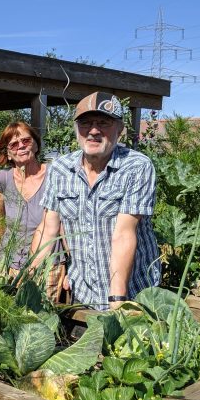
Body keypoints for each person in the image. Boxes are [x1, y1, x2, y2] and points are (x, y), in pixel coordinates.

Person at [30, 92, 160, 310]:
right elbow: (48, 230)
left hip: (132, 294)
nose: (93, 130)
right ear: (76, 129)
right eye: (85, 123)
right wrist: (30, 281)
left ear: (120, 129)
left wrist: (118, 302)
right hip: (84, 292)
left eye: (103, 123)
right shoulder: (61, 169)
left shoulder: (136, 167)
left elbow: (123, 235)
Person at [0, 122, 64, 300]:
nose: (21, 146)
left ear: (36, 144)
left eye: (26, 140)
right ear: (7, 152)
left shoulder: (56, 175)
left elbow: (66, 225)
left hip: (47, 266)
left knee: (42, 321)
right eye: (13, 144)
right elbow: (0, 222)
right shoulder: (2, 179)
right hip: (8, 263)